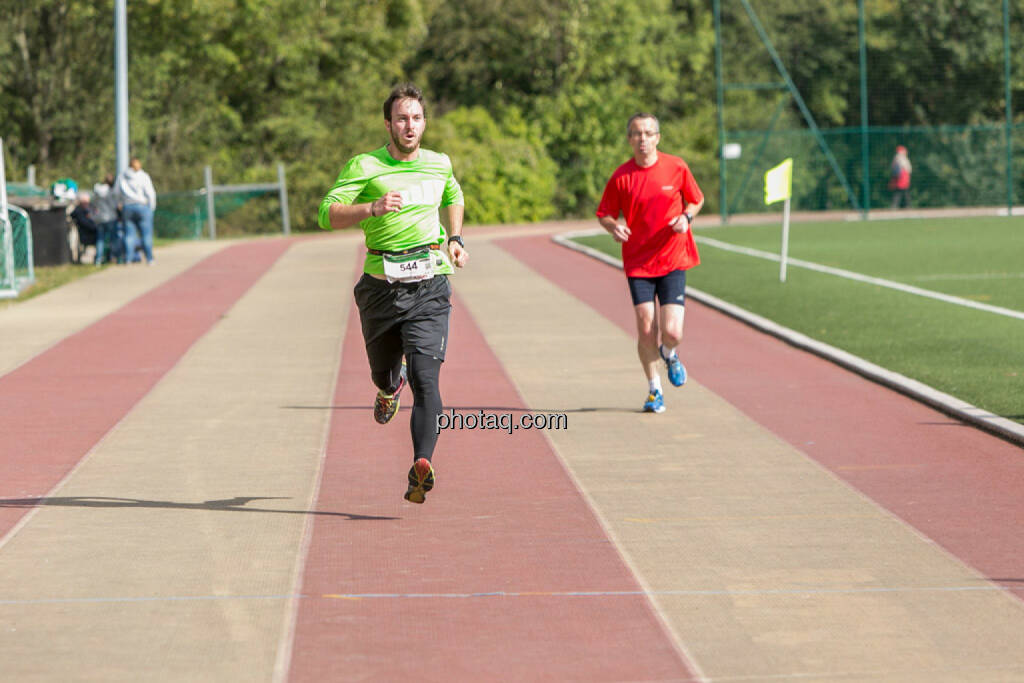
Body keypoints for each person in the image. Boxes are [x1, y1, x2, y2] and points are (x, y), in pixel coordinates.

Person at [318, 82, 468, 504]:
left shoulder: (438, 164)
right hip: (381, 289)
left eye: (417, 118)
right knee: (386, 373)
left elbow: (453, 193)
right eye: (402, 118)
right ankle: (388, 388)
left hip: (430, 284)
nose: (410, 125)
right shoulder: (365, 166)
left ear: (424, 123)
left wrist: (454, 237)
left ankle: (422, 464)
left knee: (427, 377)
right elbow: (325, 213)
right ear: (388, 124)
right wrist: (371, 208)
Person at [596, 112, 705, 414]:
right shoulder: (621, 176)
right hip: (638, 263)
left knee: (672, 332)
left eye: (647, 133)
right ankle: (654, 389)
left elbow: (696, 199)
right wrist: (613, 226)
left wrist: (686, 217)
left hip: (672, 258)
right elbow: (604, 213)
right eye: (636, 133)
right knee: (646, 329)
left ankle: (669, 352)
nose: (642, 139)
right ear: (629, 139)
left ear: (657, 137)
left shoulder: (677, 167)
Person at [115, 157, 157, 264]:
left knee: (129, 234)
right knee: (146, 234)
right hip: (143, 206)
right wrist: (151, 207)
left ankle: (128, 259)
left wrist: (119, 203)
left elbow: (116, 192)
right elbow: (150, 193)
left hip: (127, 207)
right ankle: (149, 258)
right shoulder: (143, 176)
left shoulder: (122, 176)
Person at [92, 174, 123, 265]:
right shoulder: (112, 192)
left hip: (100, 218)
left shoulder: (97, 191)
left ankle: (98, 259)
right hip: (111, 217)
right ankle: (118, 258)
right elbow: (115, 205)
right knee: (114, 239)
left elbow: (93, 202)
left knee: (100, 239)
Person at [889, 145, 912, 209]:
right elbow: (907, 168)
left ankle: (900, 205)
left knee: (902, 192)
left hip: (901, 177)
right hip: (902, 177)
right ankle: (905, 205)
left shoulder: (897, 158)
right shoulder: (900, 158)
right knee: (901, 192)